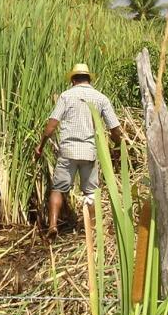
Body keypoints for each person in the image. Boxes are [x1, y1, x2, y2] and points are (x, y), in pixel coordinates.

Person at [35, 63, 122, 239]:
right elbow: (115, 129)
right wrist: (118, 146)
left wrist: (41, 145)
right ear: (89, 79)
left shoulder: (66, 96)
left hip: (68, 151)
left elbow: (52, 125)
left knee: (58, 189)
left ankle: (52, 226)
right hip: (89, 152)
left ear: (73, 80)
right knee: (90, 192)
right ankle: (90, 231)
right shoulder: (101, 98)